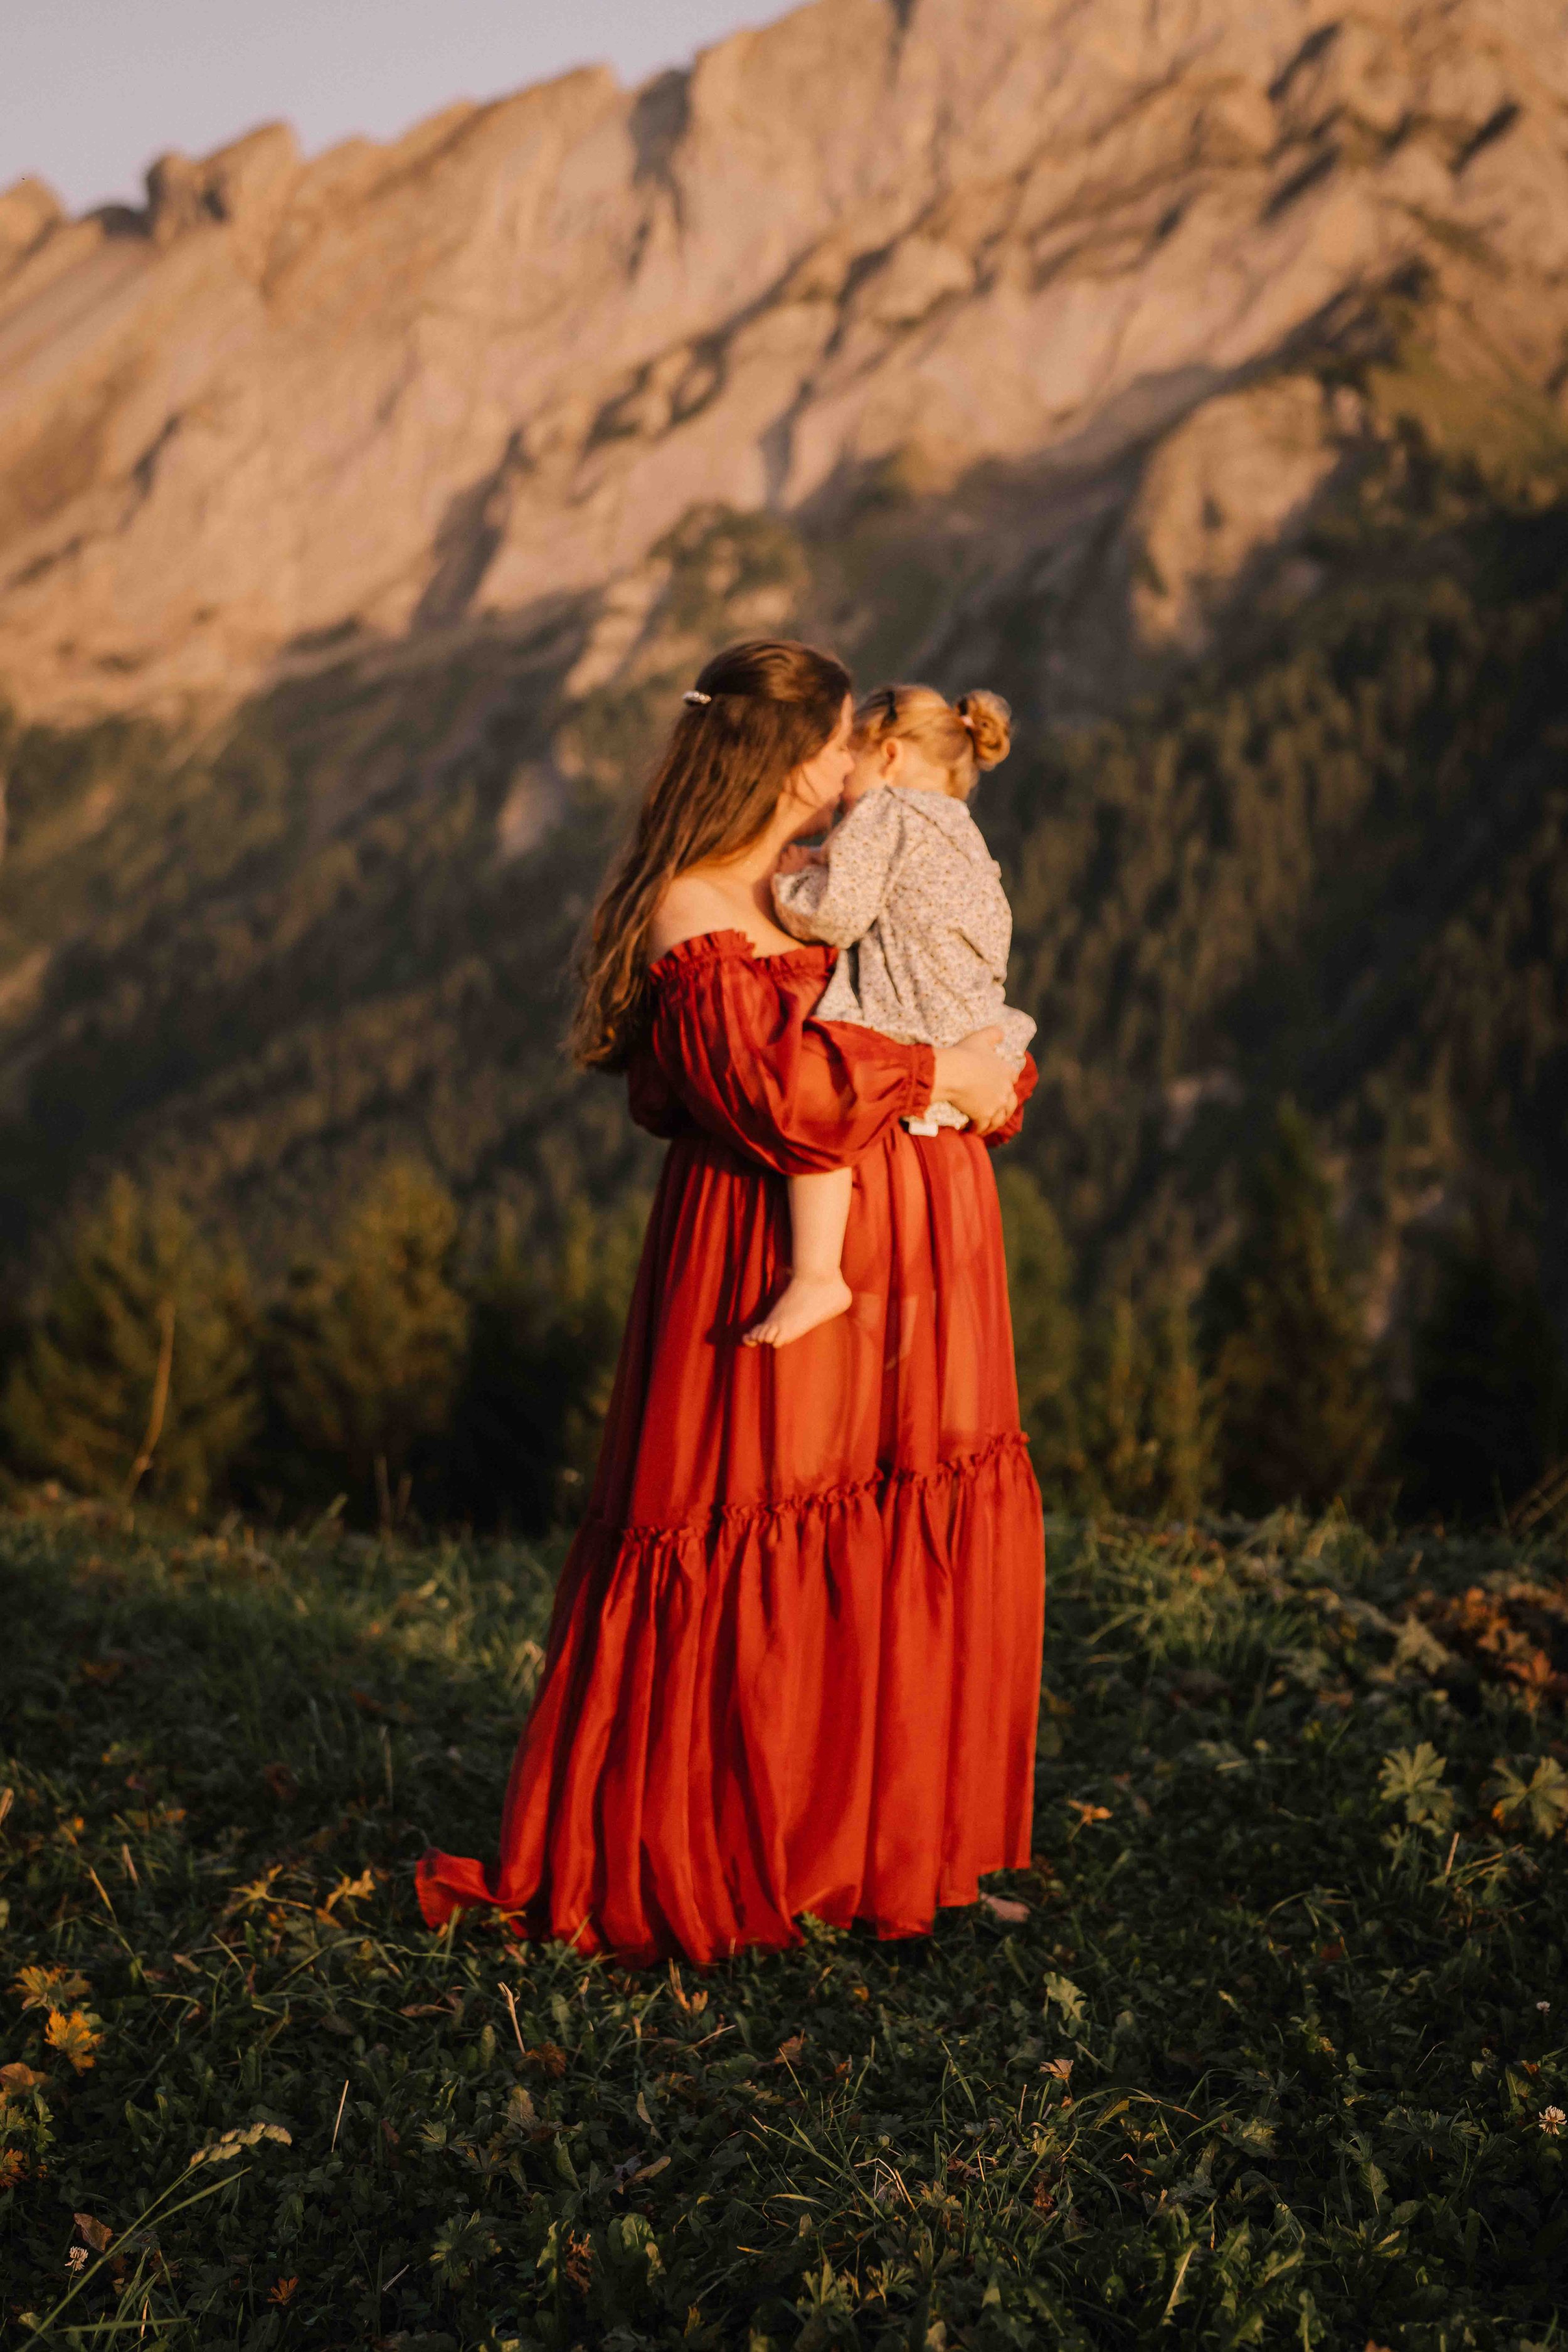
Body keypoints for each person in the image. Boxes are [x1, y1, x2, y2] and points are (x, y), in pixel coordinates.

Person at [416, 638, 1045, 1964]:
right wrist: (939, 1062)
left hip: (922, 1247)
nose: (845, 766)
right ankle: (754, 1857)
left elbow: (941, 990)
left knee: (897, 1528)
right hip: (766, 1255)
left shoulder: (829, 871)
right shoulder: (697, 906)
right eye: (828, 745)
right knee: (759, 1522)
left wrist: (973, 1064)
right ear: (775, 755)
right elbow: (783, 1100)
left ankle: (896, 1859)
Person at [743, 681, 1036, 1348]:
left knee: (823, 1094)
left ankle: (817, 1272)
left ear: (892, 755)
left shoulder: (887, 812)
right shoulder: (964, 833)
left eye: (853, 761)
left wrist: (784, 876)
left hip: (907, 1014)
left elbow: (834, 912)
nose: (844, 781)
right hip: (974, 1030)